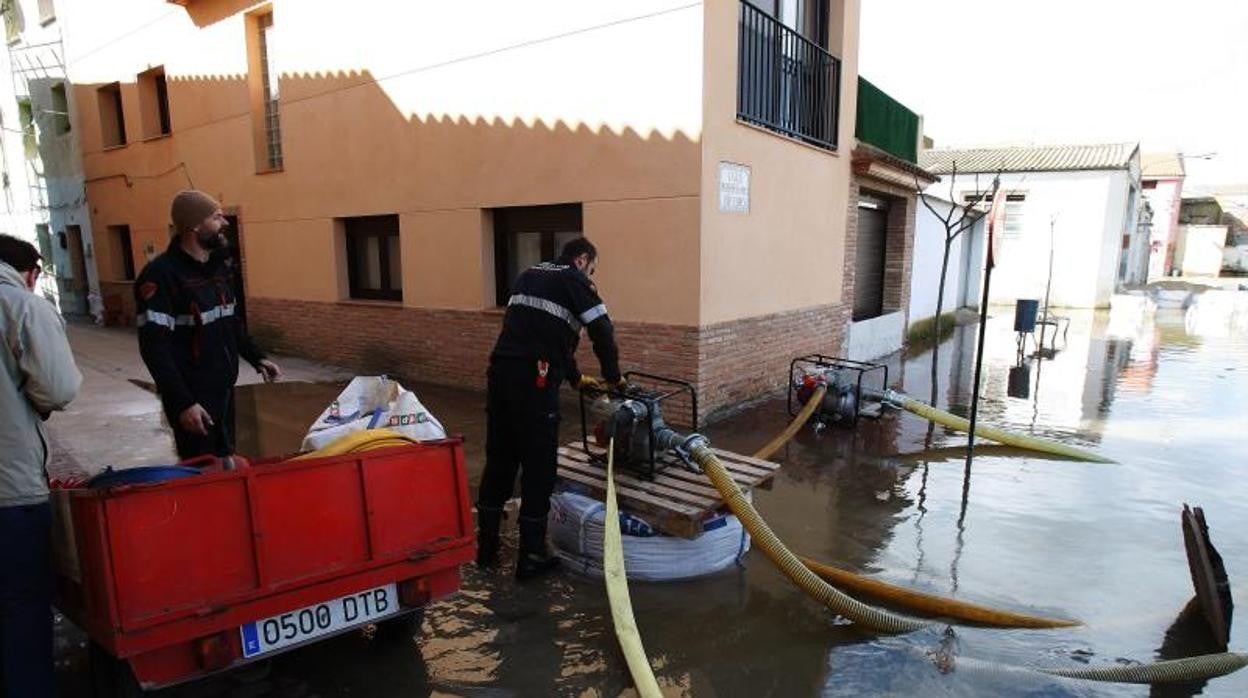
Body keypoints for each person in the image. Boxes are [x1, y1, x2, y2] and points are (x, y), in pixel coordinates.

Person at [476, 236, 623, 581]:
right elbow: (602, 330)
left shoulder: (529, 274)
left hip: (501, 374)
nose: (591, 273)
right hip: (534, 380)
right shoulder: (574, 280)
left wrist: (575, 379)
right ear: (583, 259)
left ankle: (486, 550)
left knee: (500, 459)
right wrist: (613, 380)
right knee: (539, 463)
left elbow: (547, 333)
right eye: (593, 267)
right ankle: (531, 557)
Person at [135, 190, 282, 460]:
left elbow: (230, 322)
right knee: (202, 473)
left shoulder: (218, 268)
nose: (224, 222)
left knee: (227, 462)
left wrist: (256, 356)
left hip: (223, 389)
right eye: (216, 217)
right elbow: (155, 349)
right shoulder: (162, 276)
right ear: (194, 226)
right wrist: (183, 403)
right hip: (193, 398)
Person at [0, 234, 81, 697]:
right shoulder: (21, 307)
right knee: (23, 606)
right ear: (30, 273)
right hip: (11, 491)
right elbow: (58, 389)